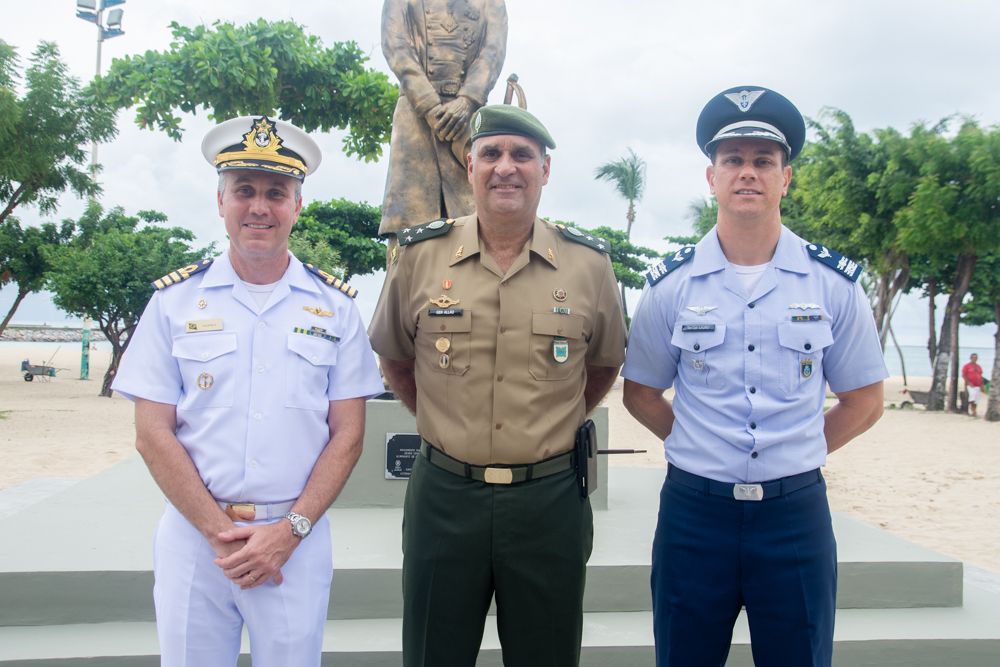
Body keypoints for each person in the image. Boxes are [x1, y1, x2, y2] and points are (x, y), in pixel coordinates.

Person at [621, 87, 887, 667]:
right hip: (695, 513)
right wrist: (702, 442)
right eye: (733, 160)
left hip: (795, 514)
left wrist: (796, 448)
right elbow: (640, 393)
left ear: (785, 178)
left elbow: (864, 400)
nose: (748, 173)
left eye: (763, 161)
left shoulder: (832, 285)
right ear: (710, 177)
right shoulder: (670, 287)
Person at [111, 115, 385, 666]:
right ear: (220, 202)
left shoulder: (335, 308)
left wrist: (289, 531)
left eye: (276, 193)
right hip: (195, 539)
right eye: (244, 191)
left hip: (295, 540)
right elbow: (151, 433)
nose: (259, 207)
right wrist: (219, 533)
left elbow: (348, 435)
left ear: (297, 206)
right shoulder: (173, 303)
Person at [368, 104, 627, 666]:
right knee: (433, 654)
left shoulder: (588, 266)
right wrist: (444, 421)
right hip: (445, 498)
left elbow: (603, 364)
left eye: (521, 155)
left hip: (548, 502)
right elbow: (395, 357)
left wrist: (551, 422)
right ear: (469, 165)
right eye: (491, 153)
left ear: (546, 169)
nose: (505, 167)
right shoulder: (418, 256)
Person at [378, 0, 508, 238]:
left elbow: (493, 51)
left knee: (475, 225)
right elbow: (396, 45)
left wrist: (468, 100)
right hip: (415, 117)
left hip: (468, 122)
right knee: (406, 227)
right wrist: (428, 105)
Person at [962, 353, 984, 417]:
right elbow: (964, 375)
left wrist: (982, 384)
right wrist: (969, 382)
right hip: (970, 385)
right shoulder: (967, 366)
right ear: (971, 358)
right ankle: (972, 410)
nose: (975, 359)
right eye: (973, 357)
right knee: (972, 396)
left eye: (976, 357)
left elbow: (980, 375)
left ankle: (975, 410)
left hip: (978, 385)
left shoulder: (978, 366)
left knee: (977, 398)